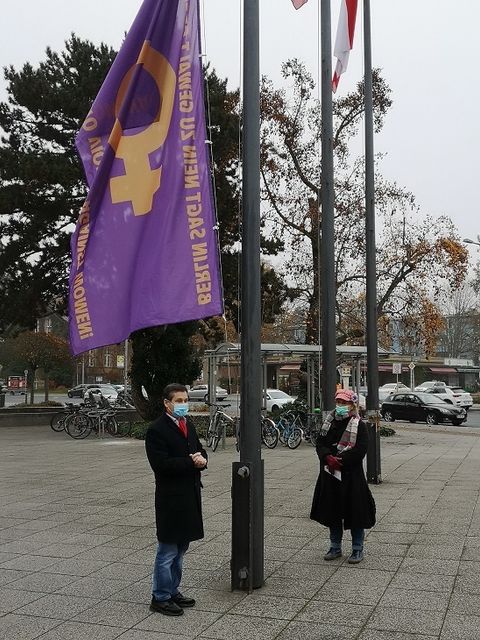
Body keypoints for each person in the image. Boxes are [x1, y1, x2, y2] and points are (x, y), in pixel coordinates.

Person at [145, 383, 207, 616]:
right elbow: (161, 465)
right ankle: (160, 596)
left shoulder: (187, 424)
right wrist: (191, 462)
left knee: (181, 547)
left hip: (189, 495)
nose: (183, 404)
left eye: (185, 400)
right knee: (168, 549)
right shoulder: (157, 430)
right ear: (166, 403)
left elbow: (199, 450)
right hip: (170, 498)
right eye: (178, 401)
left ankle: (172, 591)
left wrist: (202, 460)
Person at [310, 388, 376, 564]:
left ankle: (357, 548)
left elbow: (360, 450)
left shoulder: (358, 425)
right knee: (333, 512)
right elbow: (320, 443)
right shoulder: (329, 422)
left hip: (351, 476)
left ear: (352, 405)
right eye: (338, 402)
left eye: (344, 403)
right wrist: (327, 457)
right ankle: (335, 546)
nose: (340, 406)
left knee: (355, 513)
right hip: (330, 474)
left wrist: (340, 460)